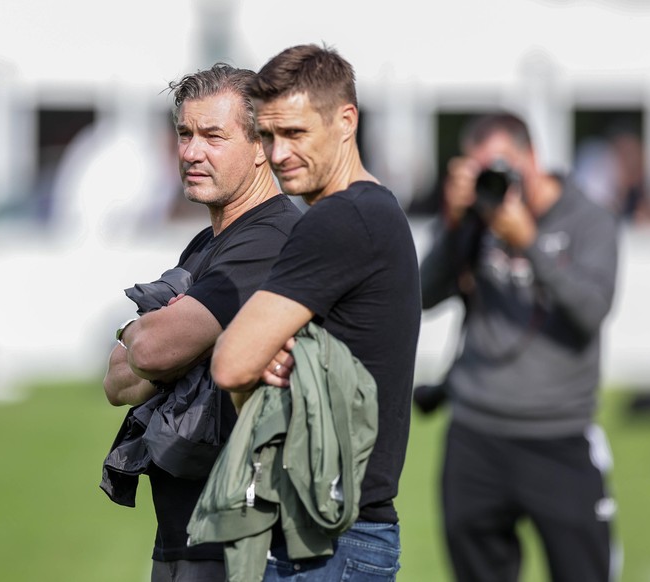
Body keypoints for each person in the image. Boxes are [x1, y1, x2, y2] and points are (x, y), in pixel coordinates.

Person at [211, 43, 421, 580]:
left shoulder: (339, 219)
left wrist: (258, 368)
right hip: (344, 533)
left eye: (295, 133)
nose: (278, 154)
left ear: (346, 120)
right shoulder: (379, 208)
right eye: (267, 135)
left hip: (327, 542)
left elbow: (231, 364)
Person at [101, 63, 302, 582]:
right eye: (184, 134)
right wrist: (157, 341)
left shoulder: (271, 240)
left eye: (213, 135)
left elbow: (145, 354)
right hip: (183, 536)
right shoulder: (207, 244)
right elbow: (115, 381)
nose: (191, 152)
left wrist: (140, 332)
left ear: (261, 145)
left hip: (241, 544)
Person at [417, 112, 620, 582]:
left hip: (560, 436)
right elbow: (423, 297)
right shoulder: (474, 220)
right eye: (482, 170)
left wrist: (529, 241)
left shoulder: (589, 219)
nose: (496, 180)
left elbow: (590, 312)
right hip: (476, 433)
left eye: (502, 166)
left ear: (532, 156)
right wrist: (453, 222)